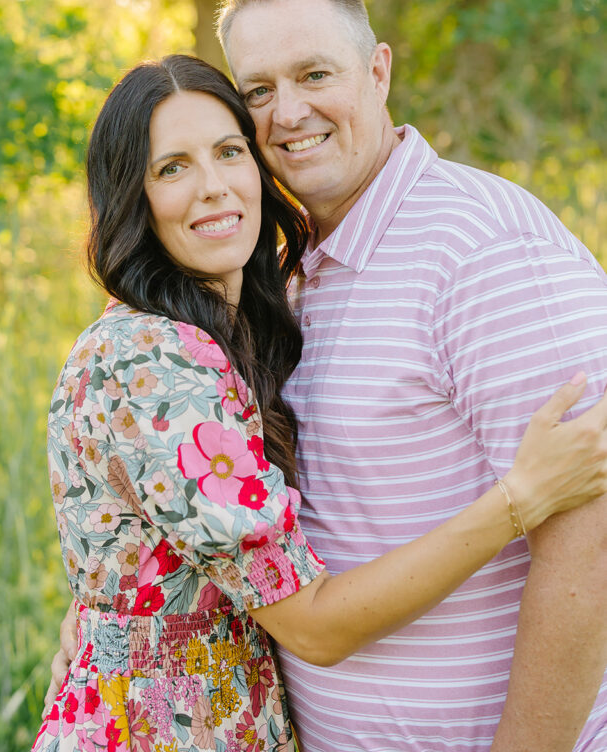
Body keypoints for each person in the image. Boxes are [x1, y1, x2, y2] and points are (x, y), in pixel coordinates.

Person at [34, 55, 607, 752]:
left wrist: (115, 608)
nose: (213, 188)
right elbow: (312, 626)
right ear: (134, 196)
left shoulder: (237, 329)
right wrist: (518, 499)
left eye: (227, 152)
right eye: (172, 168)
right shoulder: (154, 359)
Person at [214, 0, 607, 752]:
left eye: (314, 74)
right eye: (257, 91)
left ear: (378, 70)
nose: (288, 112)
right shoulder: (281, 268)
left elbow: (590, 529)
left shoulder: (482, 248)